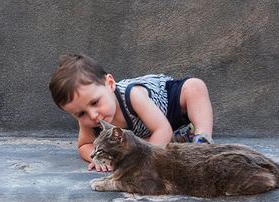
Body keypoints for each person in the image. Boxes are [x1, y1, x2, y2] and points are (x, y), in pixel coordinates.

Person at [49, 54, 214, 172]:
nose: (92, 115)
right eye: (80, 114)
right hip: (147, 134)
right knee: (134, 145)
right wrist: (97, 158)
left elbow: (162, 129)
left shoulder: (131, 96)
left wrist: (144, 162)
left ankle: (201, 136)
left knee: (194, 86)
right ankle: (182, 136)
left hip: (168, 107)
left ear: (110, 83)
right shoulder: (89, 120)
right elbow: (84, 145)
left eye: (95, 102)